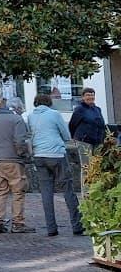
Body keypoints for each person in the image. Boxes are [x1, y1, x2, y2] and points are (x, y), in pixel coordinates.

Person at [28, 90, 84, 237]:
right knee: (67, 188)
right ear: (49, 102)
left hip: (39, 155)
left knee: (46, 192)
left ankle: (51, 228)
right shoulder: (54, 114)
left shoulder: (31, 116)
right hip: (57, 154)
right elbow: (66, 135)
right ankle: (77, 225)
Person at [0, 96, 32, 233]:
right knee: (18, 192)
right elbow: (20, 140)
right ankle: (18, 223)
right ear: (17, 108)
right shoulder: (17, 120)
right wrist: (22, 154)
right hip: (13, 161)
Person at [69, 87, 107, 187]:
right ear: (83, 97)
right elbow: (72, 124)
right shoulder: (80, 110)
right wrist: (75, 138)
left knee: (96, 167)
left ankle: (95, 189)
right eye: (87, 95)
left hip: (97, 142)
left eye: (92, 95)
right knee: (86, 167)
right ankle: (86, 194)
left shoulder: (97, 109)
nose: (90, 97)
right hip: (84, 141)